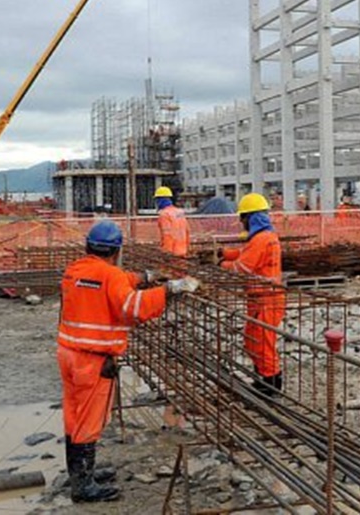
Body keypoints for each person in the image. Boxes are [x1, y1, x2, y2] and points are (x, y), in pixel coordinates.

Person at [58, 220, 199, 503]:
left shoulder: (75, 271)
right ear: (116, 250)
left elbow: (107, 283)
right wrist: (169, 289)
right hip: (94, 359)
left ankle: (81, 473)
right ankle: (83, 487)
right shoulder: (111, 277)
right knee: (88, 420)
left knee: (73, 415)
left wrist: (142, 277)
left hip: (69, 354)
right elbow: (133, 307)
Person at [220, 193, 285, 396]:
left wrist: (223, 264)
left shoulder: (261, 239)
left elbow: (243, 267)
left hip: (266, 299)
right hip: (261, 298)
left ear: (251, 217)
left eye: (243, 218)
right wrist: (227, 253)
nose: (241, 222)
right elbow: (247, 254)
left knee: (263, 342)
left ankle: (271, 384)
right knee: (252, 339)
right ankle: (263, 377)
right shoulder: (265, 237)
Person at [154, 186, 190, 257]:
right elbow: (187, 231)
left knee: (169, 268)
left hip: (173, 253)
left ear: (160, 200)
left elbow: (167, 234)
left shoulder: (164, 214)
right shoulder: (180, 212)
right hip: (183, 250)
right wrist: (187, 248)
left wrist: (167, 253)